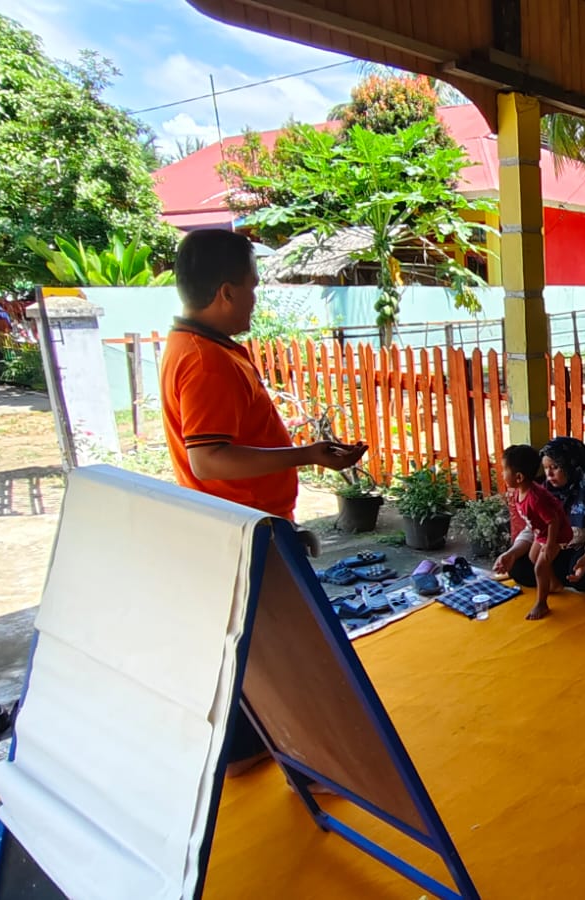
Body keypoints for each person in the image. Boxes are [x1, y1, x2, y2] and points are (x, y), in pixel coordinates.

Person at [159, 228, 368, 777]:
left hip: (243, 523)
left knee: (254, 648)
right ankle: (316, 764)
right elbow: (209, 459)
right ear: (225, 292)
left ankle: (245, 751)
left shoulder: (202, 347)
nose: (257, 297)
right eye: (252, 286)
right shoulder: (204, 361)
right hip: (248, 531)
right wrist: (309, 455)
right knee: (297, 650)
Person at [504, 437, 585, 596]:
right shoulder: (543, 492)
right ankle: (562, 578)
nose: (549, 474)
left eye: (555, 467)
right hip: (558, 548)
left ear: (571, 465)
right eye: (546, 468)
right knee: (517, 565)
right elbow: (534, 528)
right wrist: (512, 552)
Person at [493, 444, 573, 619]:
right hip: (542, 533)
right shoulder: (518, 493)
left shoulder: (535, 498)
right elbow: (532, 526)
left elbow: (553, 520)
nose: (502, 474)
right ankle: (553, 584)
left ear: (519, 477)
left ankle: (542, 603)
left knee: (539, 567)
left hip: (557, 534)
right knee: (532, 556)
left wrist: (550, 545)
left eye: (504, 470)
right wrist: (512, 553)